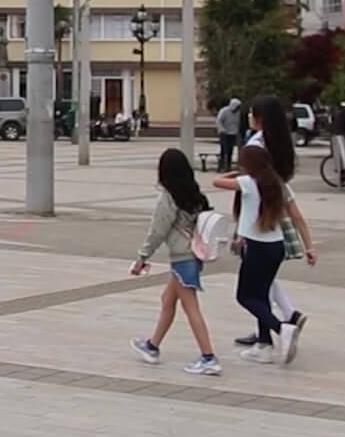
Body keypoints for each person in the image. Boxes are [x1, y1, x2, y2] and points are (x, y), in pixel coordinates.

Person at [215, 145, 313, 365]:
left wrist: (235, 174)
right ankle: (264, 345)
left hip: (257, 248)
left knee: (245, 296)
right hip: (276, 247)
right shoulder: (279, 185)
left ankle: (281, 329)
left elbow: (216, 182)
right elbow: (297, 218)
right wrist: (309, 247)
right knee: (261, 295)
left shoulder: (248, 183)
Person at [234, 96, 316, 354]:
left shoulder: (257, 143)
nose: (248, 117)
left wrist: (239, 222)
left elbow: (244, 183)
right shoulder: (280, 141)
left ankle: (274, 330)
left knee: (255, 285)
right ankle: (276, 324)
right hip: (274, 210)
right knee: (264, 280)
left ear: (258, 118)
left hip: (258, 217)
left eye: (251, 113)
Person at [130, 148, 221, 375]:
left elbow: (158, 231)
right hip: (192, 255)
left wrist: (142, 257)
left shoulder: (169, 197)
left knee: (191, 309)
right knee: (167, 299)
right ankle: (152, 346)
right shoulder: (195, 195)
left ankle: (208, 357)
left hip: (182, 258)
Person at [215, 97, 242, 171]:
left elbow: (237, 122)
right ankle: (221, 166)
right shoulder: (224, 111)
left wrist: (237, 131)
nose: (237, 109)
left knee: (230, 150)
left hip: (233, 133)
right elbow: (219, 121)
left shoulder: (238, 113)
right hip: (224, 133)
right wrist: (222, 129)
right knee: (224, 150)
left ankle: (228, 166)